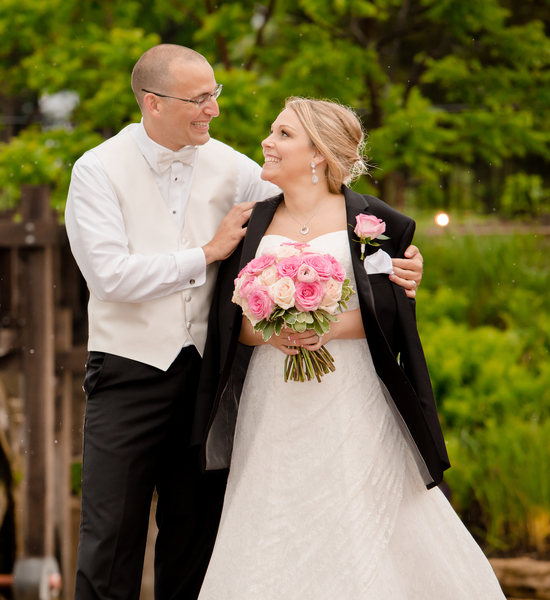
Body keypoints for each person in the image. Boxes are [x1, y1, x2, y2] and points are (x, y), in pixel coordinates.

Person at [65, 45, 424, 600]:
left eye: (215, 94)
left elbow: (315, 209)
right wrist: (207, 253)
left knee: (195, 541)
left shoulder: (233, 166)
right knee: (109, 541)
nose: (213, 109)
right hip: (127, 375)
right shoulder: (96, 170)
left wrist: (395, 258)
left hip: (210, 380)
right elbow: (109, 277)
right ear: (153, 103)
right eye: (199, 98)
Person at [195, 97, 505, 599]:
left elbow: (392, 314)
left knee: (352, 503)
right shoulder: (251, 224)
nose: (266, 144)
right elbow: (232, 322)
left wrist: (330, 329)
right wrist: (274, 332)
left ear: (318, 154)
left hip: (351, 389)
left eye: (282, 135)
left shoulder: (375, 225)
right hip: (271, 398)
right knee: (272, 506)